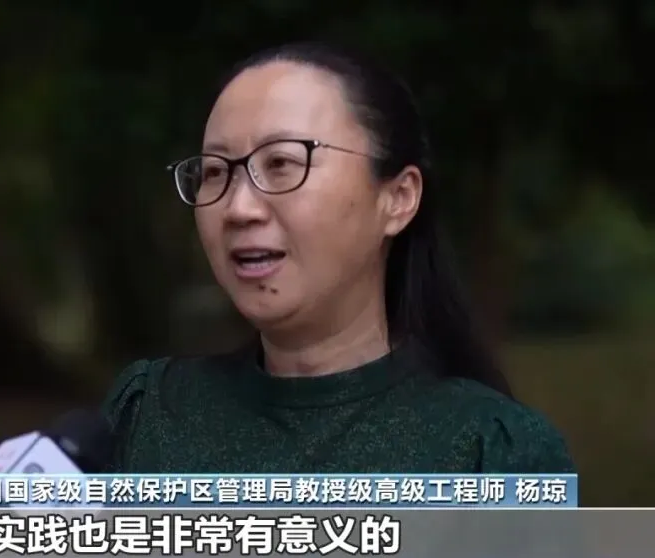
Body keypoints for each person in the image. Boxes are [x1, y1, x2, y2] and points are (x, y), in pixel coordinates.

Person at [102, 42, 575, 474]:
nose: (239, 208)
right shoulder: (147, 415)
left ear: (398, 199)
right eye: (214, 172)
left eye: (281, 163)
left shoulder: (493, 453)